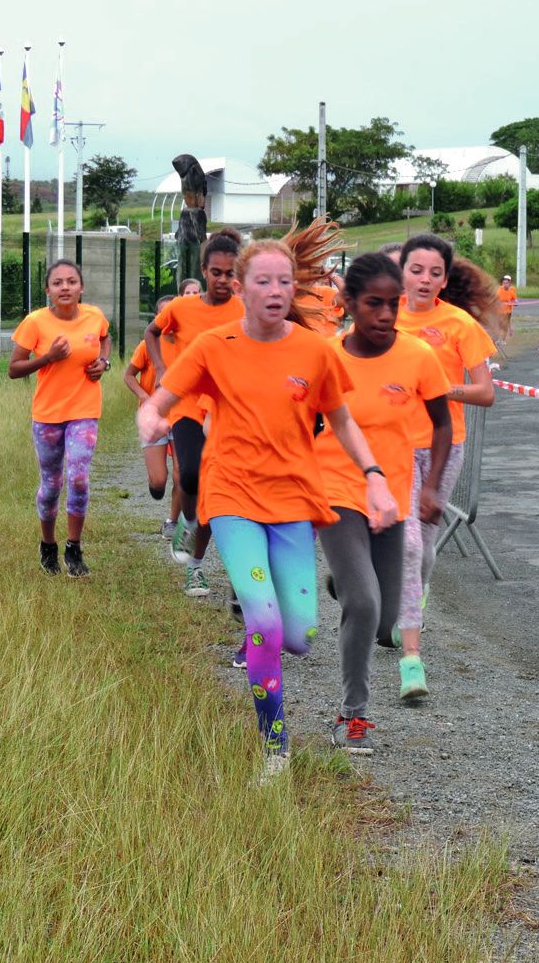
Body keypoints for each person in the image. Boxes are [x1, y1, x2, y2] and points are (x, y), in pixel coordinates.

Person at [137, 220, 399, 781]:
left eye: (284, 281)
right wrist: (149, 415)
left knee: (299, 633)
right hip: (231, 494)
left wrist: (373, 475)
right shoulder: (213, 345)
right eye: (264, 281)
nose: (276, 291)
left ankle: (279, 641)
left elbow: (344, 423)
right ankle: (274, 744)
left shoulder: (314, 352)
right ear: (243, 288)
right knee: (262, 619)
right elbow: (162, 397)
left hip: (293, 500)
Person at [315, 253, 452, 753]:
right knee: (365, 603)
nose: (387, 315)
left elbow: (442, 425)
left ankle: (344, 579)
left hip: (392, 499)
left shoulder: (417, 357)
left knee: (387, 618)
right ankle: (351, 717)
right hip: (336, 491)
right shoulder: (326, 356)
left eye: (393, 304)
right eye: (374, 304)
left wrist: (432, 486)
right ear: (349, 303)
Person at [393, 234, 498, 698]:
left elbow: (485, 392)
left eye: (435, 272)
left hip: (442, 444)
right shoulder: (383, 313)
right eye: (416, 270)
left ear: (445, 278)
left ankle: (414, 597)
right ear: (401, 271)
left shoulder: (459, 324)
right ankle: (411, 659)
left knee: (426, 544)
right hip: (391, 443)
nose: (425, 280)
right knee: (410, 544)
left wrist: (441, 389)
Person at [144, 227, 245, 596]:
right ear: (203, 270)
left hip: (228, 411)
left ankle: (197, 566)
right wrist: (161, 368)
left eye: (229, 273)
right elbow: (152, 332)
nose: (222, 279)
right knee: (189, 476)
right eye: (216, 272)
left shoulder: (244, 309)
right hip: (186, 404)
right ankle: (187, 521)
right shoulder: (182, 308)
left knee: (219, 494)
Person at [8, 259, 111, 578]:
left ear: (81, 287)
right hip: (48, 415)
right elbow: (14, 369)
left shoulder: (94, 316)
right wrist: (48, 358)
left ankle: (74, 548)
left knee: (78, 476)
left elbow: (105, 338)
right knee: (52, 484)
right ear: (48, 290)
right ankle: (48, 545)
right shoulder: (35, 322)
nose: (64, 287)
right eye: (57, 283)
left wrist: (103, 362)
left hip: (84, 411)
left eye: (71, 281)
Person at [124, 295, 183, 538]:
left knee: (183, 474)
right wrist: (147, 398)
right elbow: (129, 376)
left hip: (181, 416)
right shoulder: (147, 345)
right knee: (159, 480)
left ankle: (172, 521)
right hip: (153, 418)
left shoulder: (188, 344)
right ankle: (156, 486)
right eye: (163, 315)